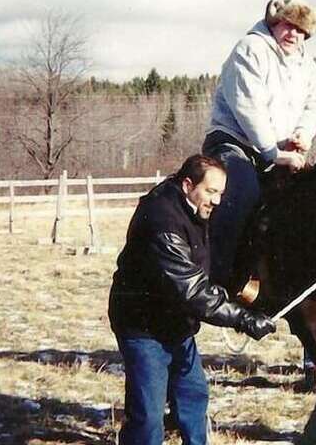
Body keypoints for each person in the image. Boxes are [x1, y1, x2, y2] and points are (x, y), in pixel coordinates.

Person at [108, 154, 276, 445]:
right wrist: (242, 318)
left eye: (221, 193)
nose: (217, 201)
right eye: (211, 192)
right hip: (142, 325)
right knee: (148, 415)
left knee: (193, 395)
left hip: (176, 320)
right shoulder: (163, 221)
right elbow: (191, 290)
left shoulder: (193, 208)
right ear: (187, 184)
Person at [202, 0, 316, 286]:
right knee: (242, 193)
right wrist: (273, 152)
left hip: (282, 149)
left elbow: (313, 103)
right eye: (287, 25)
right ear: (274, 23)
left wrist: (303, 134)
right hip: (236, 142)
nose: (293, 34)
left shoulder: (307, 64)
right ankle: (216, 279)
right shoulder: (250, 49)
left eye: (300, 30)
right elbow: (247, 106)